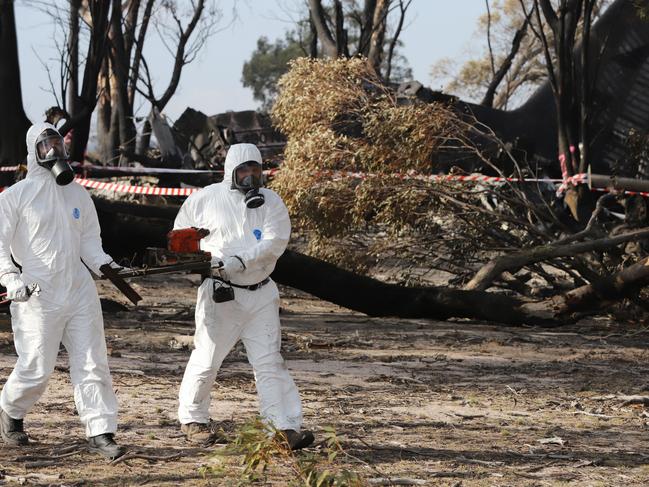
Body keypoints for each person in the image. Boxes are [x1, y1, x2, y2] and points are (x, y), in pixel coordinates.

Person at [173, 143, 314, 450]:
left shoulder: (271, 202)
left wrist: (242, 260)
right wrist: (209, 257)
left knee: (268, 362)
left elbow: (275, 240)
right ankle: (193, 419)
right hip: (221, 295)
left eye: (255, 170)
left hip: (261, 293)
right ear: (231, 171)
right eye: (244, 170)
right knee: (208, 357)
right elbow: (181, 238)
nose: (250, 176)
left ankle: (283, 427)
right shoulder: (205, 199)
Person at [0, 122, 125, 460]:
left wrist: (108, 266)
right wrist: (12, 278)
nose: (53, 152)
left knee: (92, 361)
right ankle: (10, 411)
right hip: (37, 292)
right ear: (33, 151)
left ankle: (101, 431)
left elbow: (89, 243)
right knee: (37, 367)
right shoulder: (16, 197)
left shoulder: (78, 193)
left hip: (78, 288)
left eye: (57, 144)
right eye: (46, 146)